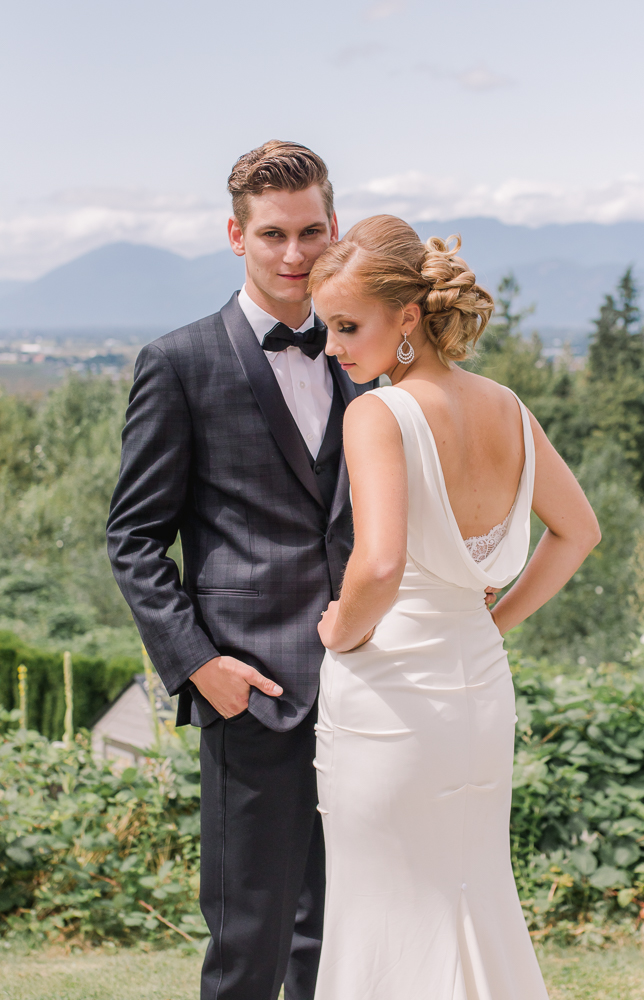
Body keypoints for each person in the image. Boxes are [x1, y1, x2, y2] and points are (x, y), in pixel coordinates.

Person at [107, 141, 375, 1000]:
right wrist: (199, 666)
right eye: (271, 235)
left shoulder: (364, 361)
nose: (293, 255)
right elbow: (135, 536)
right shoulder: (179, 364)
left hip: (367, 691)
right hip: (250, 690)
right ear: (235, 235)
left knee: (337, 937)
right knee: (248, 944)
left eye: (310, 232)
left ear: (333, 230)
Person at [308, 215, 601, 1000]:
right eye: (326, 328)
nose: (332, 346)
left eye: (346, 326)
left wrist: (339, 626)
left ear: (407, 318)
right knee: (470, 892)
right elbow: (578, 532)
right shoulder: (505, 405)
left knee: (381, 911)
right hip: (477, 688)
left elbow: (378, 562)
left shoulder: (377, 413)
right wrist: (489, 622)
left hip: (391, 697)